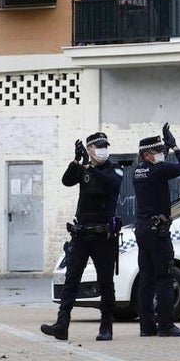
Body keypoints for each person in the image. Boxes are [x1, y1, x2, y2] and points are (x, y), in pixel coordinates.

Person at [41, 132, 123, 342]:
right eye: (98, 146)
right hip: (82, 234)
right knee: (71, 280)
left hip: (103, 236)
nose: (103, 149)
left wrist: (89, 168)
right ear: (89, 149)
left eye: (105, 145)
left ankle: (106, 327)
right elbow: (67, 181)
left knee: (105, 282)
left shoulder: (113, 168)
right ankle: (62, 324)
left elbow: (110, 185)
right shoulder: (84, 166)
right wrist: (76, 162)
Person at [133, 124, 180, 337]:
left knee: (146, 279)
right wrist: (174, 146)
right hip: (158, 232)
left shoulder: (139, 170)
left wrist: (164, 150)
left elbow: (160, 165)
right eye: (157, 152)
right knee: (164, 277)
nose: (161, 155)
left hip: (142, 229)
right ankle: (166, 325)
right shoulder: (158, 170)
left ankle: (147, 327)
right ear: (147, 155)